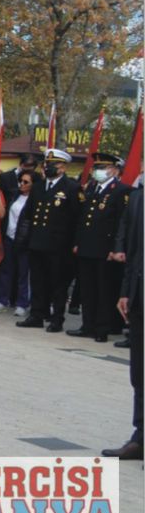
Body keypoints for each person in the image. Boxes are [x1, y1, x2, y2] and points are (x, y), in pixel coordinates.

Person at [18, 149, 81, 333]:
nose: (49, 167)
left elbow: (77, 219)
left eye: (53, 164)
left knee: (58, 284)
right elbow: (29, 215)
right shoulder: (38, 187)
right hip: (37, 242)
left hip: (59, 246)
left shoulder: (72, 188)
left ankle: (57, 318)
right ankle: (37, 315)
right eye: (47, 164)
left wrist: (74, 244)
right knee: (38, 281)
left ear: (63, 167)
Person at [101, 182, 142, 460]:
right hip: (139, 294)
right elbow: (134, 252)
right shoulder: (138, 198)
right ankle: (140, 436)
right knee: (139, 371)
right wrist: (126, 292)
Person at [70, 151, 126, 343]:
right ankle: (87, 325)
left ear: (113, 170)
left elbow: (120, 223)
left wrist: (116, 248)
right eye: (97, 168)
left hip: (105, 250)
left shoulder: (119, 191)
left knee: (103, 290)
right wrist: (77, 242)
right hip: (86, 247)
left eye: (102, 168)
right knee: (87, 289)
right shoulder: (91, 189)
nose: (98, 171)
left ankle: (102, 328)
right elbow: (82, 219)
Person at [0, 168, 35, 317]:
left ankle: (22, 303)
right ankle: (2, 300)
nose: (22, 184)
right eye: (20, 181)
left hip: (24, 241)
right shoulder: (15, 196)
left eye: (26, 182)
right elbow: (4, 213)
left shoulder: (34, 199)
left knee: (23, 274)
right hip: (9, 238)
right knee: (6, 271)